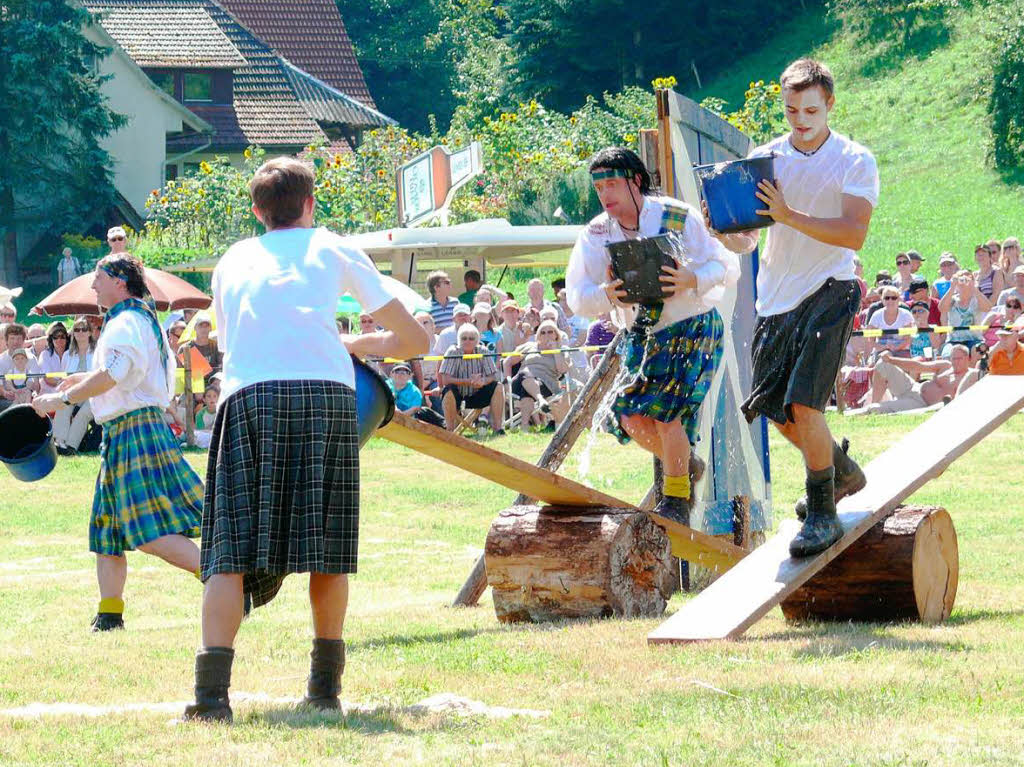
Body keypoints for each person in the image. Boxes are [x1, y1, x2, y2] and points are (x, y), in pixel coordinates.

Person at [185, 157, 428, 723]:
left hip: (249, 397)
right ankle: (324, 690)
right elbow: (415, 338)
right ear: (311, 204)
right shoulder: (335, 247)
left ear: (256, 211)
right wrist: (351, 344)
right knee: (328, 547)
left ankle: (210, 697)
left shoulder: (232, 258)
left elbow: (226, 338)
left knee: (229, 551)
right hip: (325, 397)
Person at [730, 58, 879, 557]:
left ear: (830, 105)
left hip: (832, 287)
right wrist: (724, 228)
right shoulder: (764, 157)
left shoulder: (856, 159)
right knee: (775, 411)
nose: (800, 118)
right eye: (792, 109)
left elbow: (853, 232)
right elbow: (747, 239)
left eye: (811, 109)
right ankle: (839, 472)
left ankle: (822, 514)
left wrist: (789, 215)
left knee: (804, 404)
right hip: (774, 296)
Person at [566, 145, 739, 524]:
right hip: (643, 335)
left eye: (612, 184)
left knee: (667, 412)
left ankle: (675, 503)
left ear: (637, 181)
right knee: (628, 417)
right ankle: (685, 464)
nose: (605, 195)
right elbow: (578, 296)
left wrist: (691, 278)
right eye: (599, 188)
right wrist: (605, 296)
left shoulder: (678, 215)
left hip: (692, 324)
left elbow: (726, 264)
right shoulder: (595, 233)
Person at [31, 253, 204, 632]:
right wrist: (76, 383)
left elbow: (116, 375)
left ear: (120, 281)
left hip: (135, 429)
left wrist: (61, 400)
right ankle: (110, 615)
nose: (93, 286)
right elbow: (120, 376)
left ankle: (225, 580)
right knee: (107, 529)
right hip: (127, 429)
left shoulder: (126, 321)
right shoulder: (135, 320)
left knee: (148, 531)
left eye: (98, 278)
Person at [851, 346, 973, 414]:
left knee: (876, 409)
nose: (955, 362)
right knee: (883, 364)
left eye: (959, 359)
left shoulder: (970, 377)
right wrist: (892, 360)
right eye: (953, 358)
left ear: (967, 358)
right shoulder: (945, 365)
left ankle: (868, 411)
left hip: (921, 403)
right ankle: (874, 401)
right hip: (913, 387)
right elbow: (918, 366)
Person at [438, 323, 505, 435]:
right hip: (458, 395)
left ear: (477, 340)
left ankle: (498, 428)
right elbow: (445, 379)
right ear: (459, 340)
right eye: (464, 338)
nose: (467, 341)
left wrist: (483, 381)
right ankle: (450, 431)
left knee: (498, 386)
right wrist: (468, 381)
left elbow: (492, 375)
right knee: (447, 390)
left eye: (471, 338)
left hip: (478, 394)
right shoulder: (452, 351)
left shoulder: (483, 351)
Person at [503, 319, 569, 430]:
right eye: (542, 332)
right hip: (519, 382)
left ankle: (525, 427)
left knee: (527, 391)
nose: (546, 335)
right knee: (525, 373)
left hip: (546, 385)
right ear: (538, 335)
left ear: (556, 335)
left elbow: (563, 370)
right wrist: (506, 379)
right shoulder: (529, 347)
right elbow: (507, 362)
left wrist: (555, 351)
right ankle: (540, 400)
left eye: (550, 332)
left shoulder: (562, 350)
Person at [52, 316, 96, 455]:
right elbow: (65, 378)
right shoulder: (68, 355)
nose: (80, 332)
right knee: (63, 404)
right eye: (77, 329)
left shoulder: (98, 352)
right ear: (73, 333)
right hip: (75, 392)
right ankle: (59, 442)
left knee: (83, 414)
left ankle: (71, 447)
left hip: (95, 393)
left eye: (84, 329)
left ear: (89, 332)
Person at [938, 269, 991, 352]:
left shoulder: (977, 299)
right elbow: (942, 308)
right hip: (953, 341)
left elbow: (987, 308)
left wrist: (973, 288)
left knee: (978, 351)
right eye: (961, 279)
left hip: (975, 340)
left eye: (967, 278)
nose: (964, 282)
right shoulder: (952, 300)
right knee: (947, 354)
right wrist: (952, 287)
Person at [867, 286, 914, 358]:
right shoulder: (876, 315)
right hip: (881, 351)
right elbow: (870, 339)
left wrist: (896, 348)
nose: (890, 300)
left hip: (902, 350)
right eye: (887, 298)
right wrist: (883, 348)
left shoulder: (906, 315)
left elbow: (908, 339)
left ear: (899, 299)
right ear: (882, 300)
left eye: (894, 298)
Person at [36, 322, 71, 396]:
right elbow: (48, 378)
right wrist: (62, 384)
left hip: (68, 391)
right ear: (51, 339)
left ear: (67, 339)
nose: (59, 339)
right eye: (55, 337)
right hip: (49, 393)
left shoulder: (72, 354)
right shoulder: (45, 355)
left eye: (62, 336)